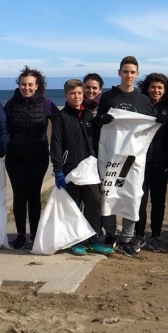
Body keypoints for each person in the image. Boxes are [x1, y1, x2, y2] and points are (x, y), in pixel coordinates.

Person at [96, 56, 157, 257]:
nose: (128, 75)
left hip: (134, 158)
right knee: (110, 193)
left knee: (132, 194)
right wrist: (101, 120)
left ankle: (128, 238)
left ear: (137, 74)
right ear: (119, 72)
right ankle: (110, 235)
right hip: (112, 155)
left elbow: (148, 128)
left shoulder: (143, 100)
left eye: (132, 72)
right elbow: (98, 126)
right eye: (125, 71)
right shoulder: (108, 98)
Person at [49, 79, 113, 256]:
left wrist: (99, 121)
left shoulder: (88, 116)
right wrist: (58, 170)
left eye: (79, 93)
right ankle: (76, 241)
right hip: (71, 170)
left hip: (89, 168)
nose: (76, 96)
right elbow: (56, 145)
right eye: (72, 93)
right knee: (74, 207)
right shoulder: (61, 118)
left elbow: (94, 137)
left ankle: (95, 240)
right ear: (65, 96)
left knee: (94, 204)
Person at [3, 66, 60, 250]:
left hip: (38, 156)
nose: (26, 87)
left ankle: (35, 233)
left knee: (34, 195)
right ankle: (20, 235)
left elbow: (61, 124)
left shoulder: (46, 103)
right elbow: (1, 128)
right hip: (15, 157)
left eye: (30, 84)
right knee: (19, 196)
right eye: (23, 84)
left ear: (37, 86)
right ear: (18, 85)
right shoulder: (11, 104)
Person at [135, 73, 168, 253]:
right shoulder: (140, 104)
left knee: (159, 200)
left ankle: (156, 236)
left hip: (162, 159)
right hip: (141, 159)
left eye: (160, 87)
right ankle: (139, 234)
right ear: (147, 88)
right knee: (140, 199)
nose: (156, 90)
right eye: (153, 87)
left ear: (164, 90)